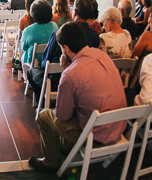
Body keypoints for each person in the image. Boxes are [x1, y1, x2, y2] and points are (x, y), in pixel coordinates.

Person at [29, 22, 127, 171]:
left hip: (94, 135)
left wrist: (67, 71)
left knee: (44, 116)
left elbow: (62, 116)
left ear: (66, 48)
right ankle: (63, 145)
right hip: (118, 126)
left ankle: (51, 162)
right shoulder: (103, 56)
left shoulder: (70, 75)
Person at [21, 0, 58, 83]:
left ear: (33, 14)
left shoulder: (28, 30)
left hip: (34, 61)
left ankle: (28, 80)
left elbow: (23, 47)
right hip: (51, 60)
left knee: (23, 56)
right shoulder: (54, 26)